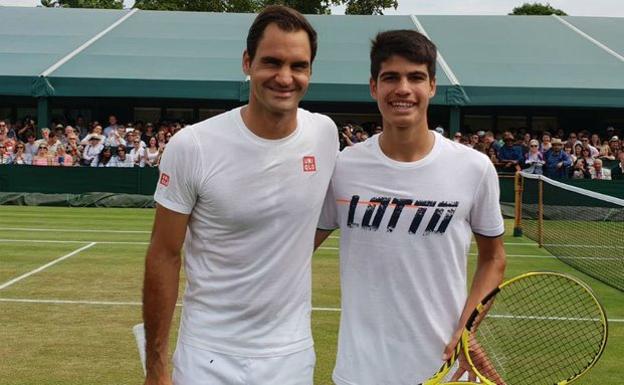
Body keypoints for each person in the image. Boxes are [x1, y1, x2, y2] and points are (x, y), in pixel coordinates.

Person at [143, 6, 338, 385]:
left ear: (310, 72)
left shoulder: (325, 134)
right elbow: (163, 255)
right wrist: (156, 367)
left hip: (291, 354)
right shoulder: (192, 145)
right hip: (206, 354)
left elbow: (333, 211)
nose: (285, 77)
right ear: (247, 62)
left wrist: (287, 253)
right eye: (271, 62)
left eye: (298, 65)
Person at [315, 30, 506, 385]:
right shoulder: (343, 166)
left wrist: (467, 328)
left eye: (416, 77)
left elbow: (494, 258)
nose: (403, 88)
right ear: (373, 87)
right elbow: (294, 246)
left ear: (432, 86)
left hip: (446, 371)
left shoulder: (474, 168)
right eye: (391, 77)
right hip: (360, 373)